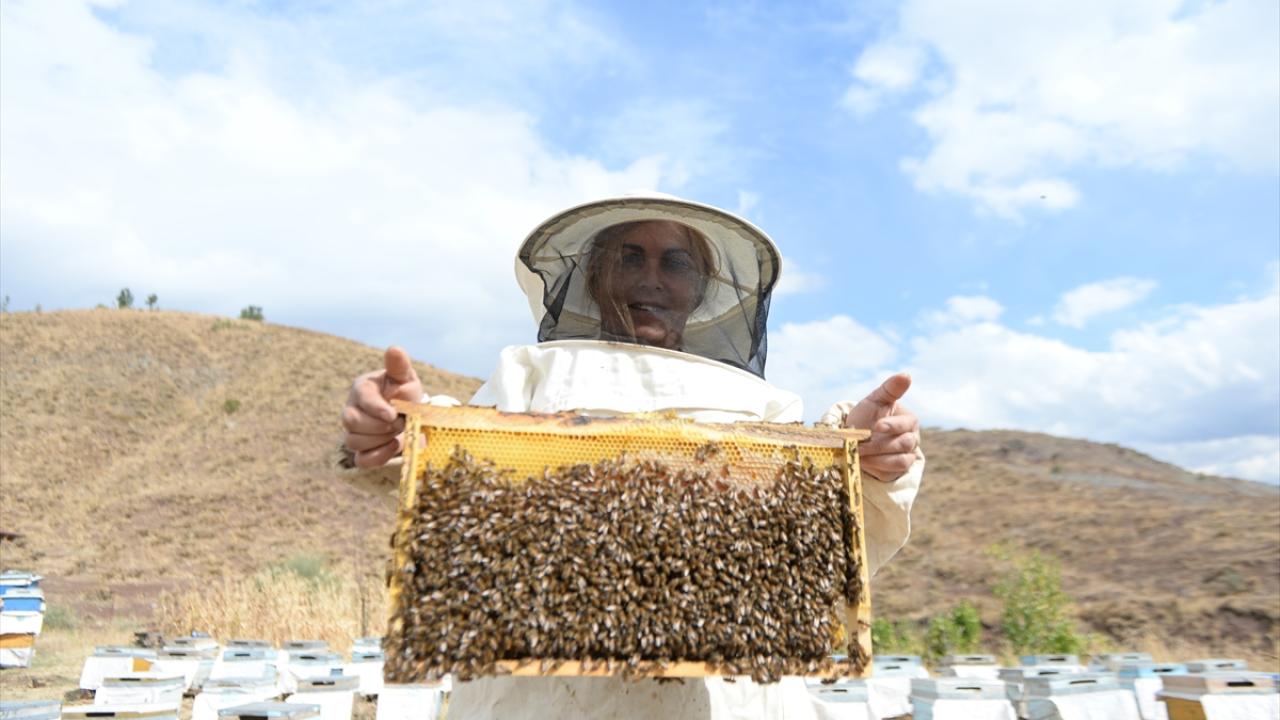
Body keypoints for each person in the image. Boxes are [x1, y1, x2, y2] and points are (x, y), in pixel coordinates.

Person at [341, 193, 923, 719]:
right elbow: (452, 471)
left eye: (676, 262)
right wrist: (396, 432)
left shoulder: (763, 405)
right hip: (542, 704)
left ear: (700, 287)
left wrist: (867, 464)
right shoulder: (528, 374)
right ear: (595, 276)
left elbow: (830, 546)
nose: (653, 277)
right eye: (630, 257)